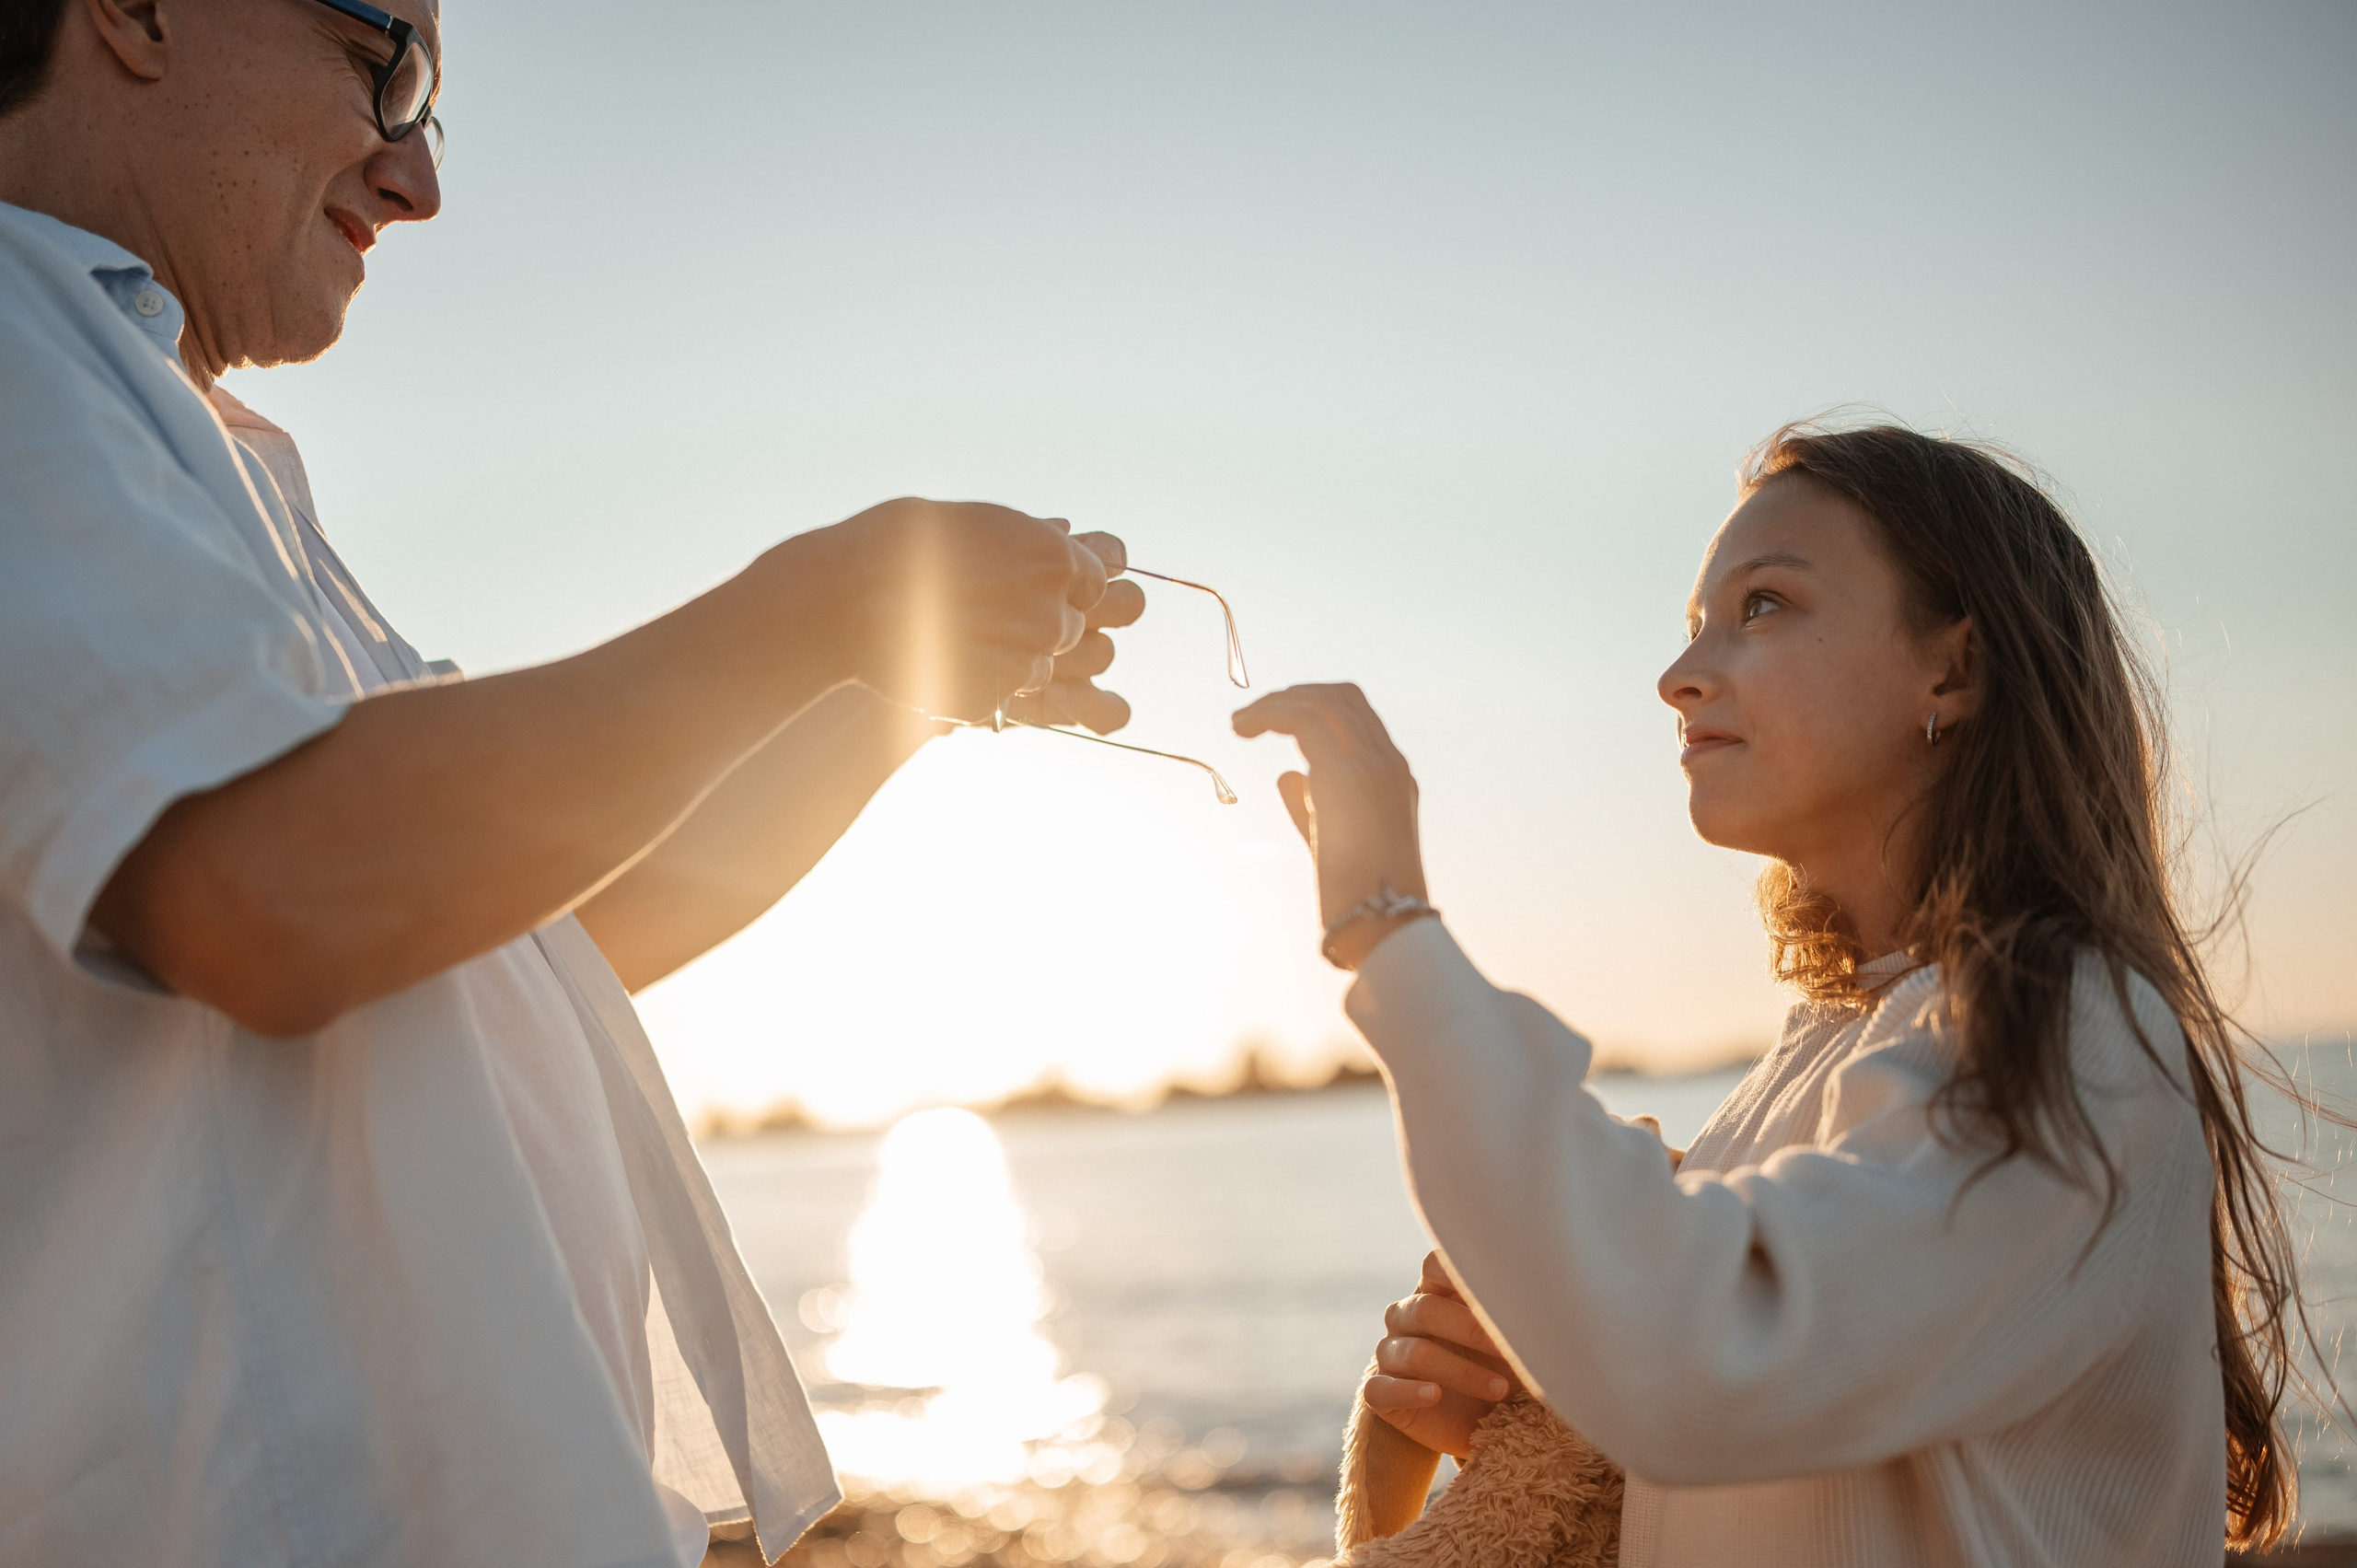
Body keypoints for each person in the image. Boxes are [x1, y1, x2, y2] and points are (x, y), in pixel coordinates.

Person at [0, 2, 1144, 1565]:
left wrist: (882, 681)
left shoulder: (163, 426)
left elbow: (525, 930)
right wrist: (801, 602)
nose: (418, 183)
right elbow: (271, 893)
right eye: (386, 71)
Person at [1235, 424, 2303, 1564]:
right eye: (1695, 625)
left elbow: (1705, 1366)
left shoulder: (2072, 1022)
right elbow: (1723, 1424)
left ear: (1952, 669)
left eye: (1763, 607)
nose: (1678, 675)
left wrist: (1389, 926)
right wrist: (1534, 1415)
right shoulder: (1827, 1049)